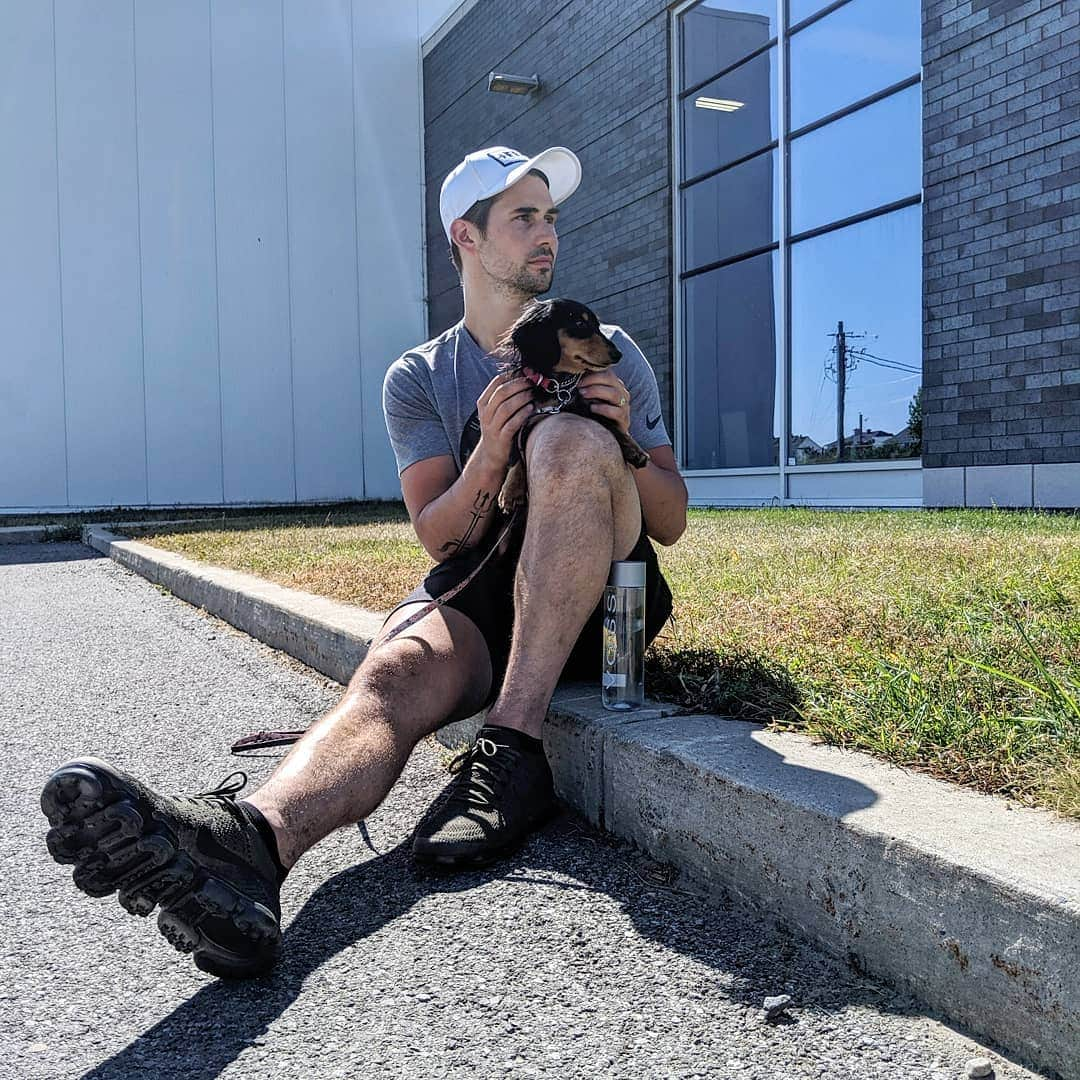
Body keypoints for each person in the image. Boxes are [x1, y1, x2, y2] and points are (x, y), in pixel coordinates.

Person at [40, 145, 688, 979]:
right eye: (524, 217)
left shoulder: (609, 348)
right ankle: (250, 845)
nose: (546, 235)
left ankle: (513, 749)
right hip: (490, 592)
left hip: (616, 607)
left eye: (550, 217)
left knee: (567, 437)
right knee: (390, 678)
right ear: (466, 235)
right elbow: (437, 538)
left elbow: (671, 523)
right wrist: (489, 456)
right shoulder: (419, 377)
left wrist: (623, 439)